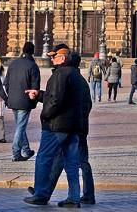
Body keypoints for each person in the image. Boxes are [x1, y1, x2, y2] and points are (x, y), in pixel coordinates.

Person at [23, 44, 88, 207]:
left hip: (56, 125)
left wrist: (45, 115)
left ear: (63, 57)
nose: (51, 59)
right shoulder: (76, 76)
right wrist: (39, 95)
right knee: (71, 163)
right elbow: (62, 98)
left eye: (54, 56)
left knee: (43, 158)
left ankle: (40, 194)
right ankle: (74, 198)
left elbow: (56, 101)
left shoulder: (60, 74)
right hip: (73, 126)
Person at [4, 41, 40, 162]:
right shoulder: (32, 65)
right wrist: (33, 101)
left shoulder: (13, 63)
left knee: (20, 126)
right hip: (24, 101)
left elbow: (6, 83)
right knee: (20, 127)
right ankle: (16, 152)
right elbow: (35, 88)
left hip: (13, 99)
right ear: (32, 52)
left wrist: (10, 96)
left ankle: (26, 150)